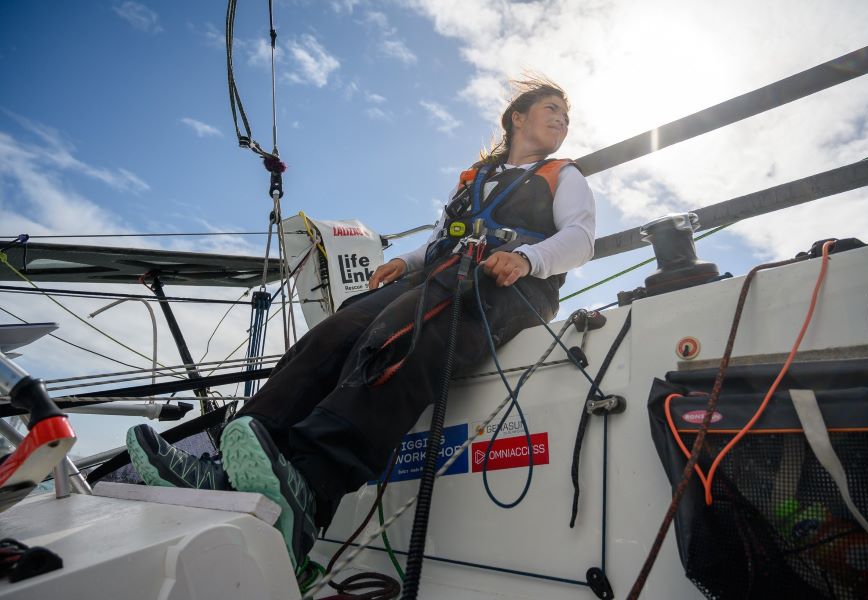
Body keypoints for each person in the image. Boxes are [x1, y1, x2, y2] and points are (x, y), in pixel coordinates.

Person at [125, 78, 596, 575]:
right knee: (334, 333)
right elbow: (442, 238)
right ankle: (225, 469)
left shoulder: (563, 175)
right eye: (551, 108)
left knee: (396, 336)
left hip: (507, 288)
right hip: (440, 276)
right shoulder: (473, 178)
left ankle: (309, 487)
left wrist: (527, 258)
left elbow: (581, 238)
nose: (561, 120)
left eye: (566, 116)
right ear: (516, 117)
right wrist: (408, 264)